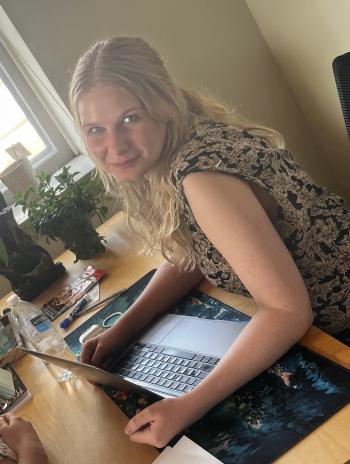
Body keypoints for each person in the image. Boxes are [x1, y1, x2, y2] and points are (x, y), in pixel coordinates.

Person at [70, 36, 350, 447]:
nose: (114, 146)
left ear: (163, 103)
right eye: (96, 129)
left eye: (130, 118)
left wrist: (188, 403)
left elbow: (287, 311)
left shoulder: (201, 179)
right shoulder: (185, 135)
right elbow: (198, 250)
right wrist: (125, 328)